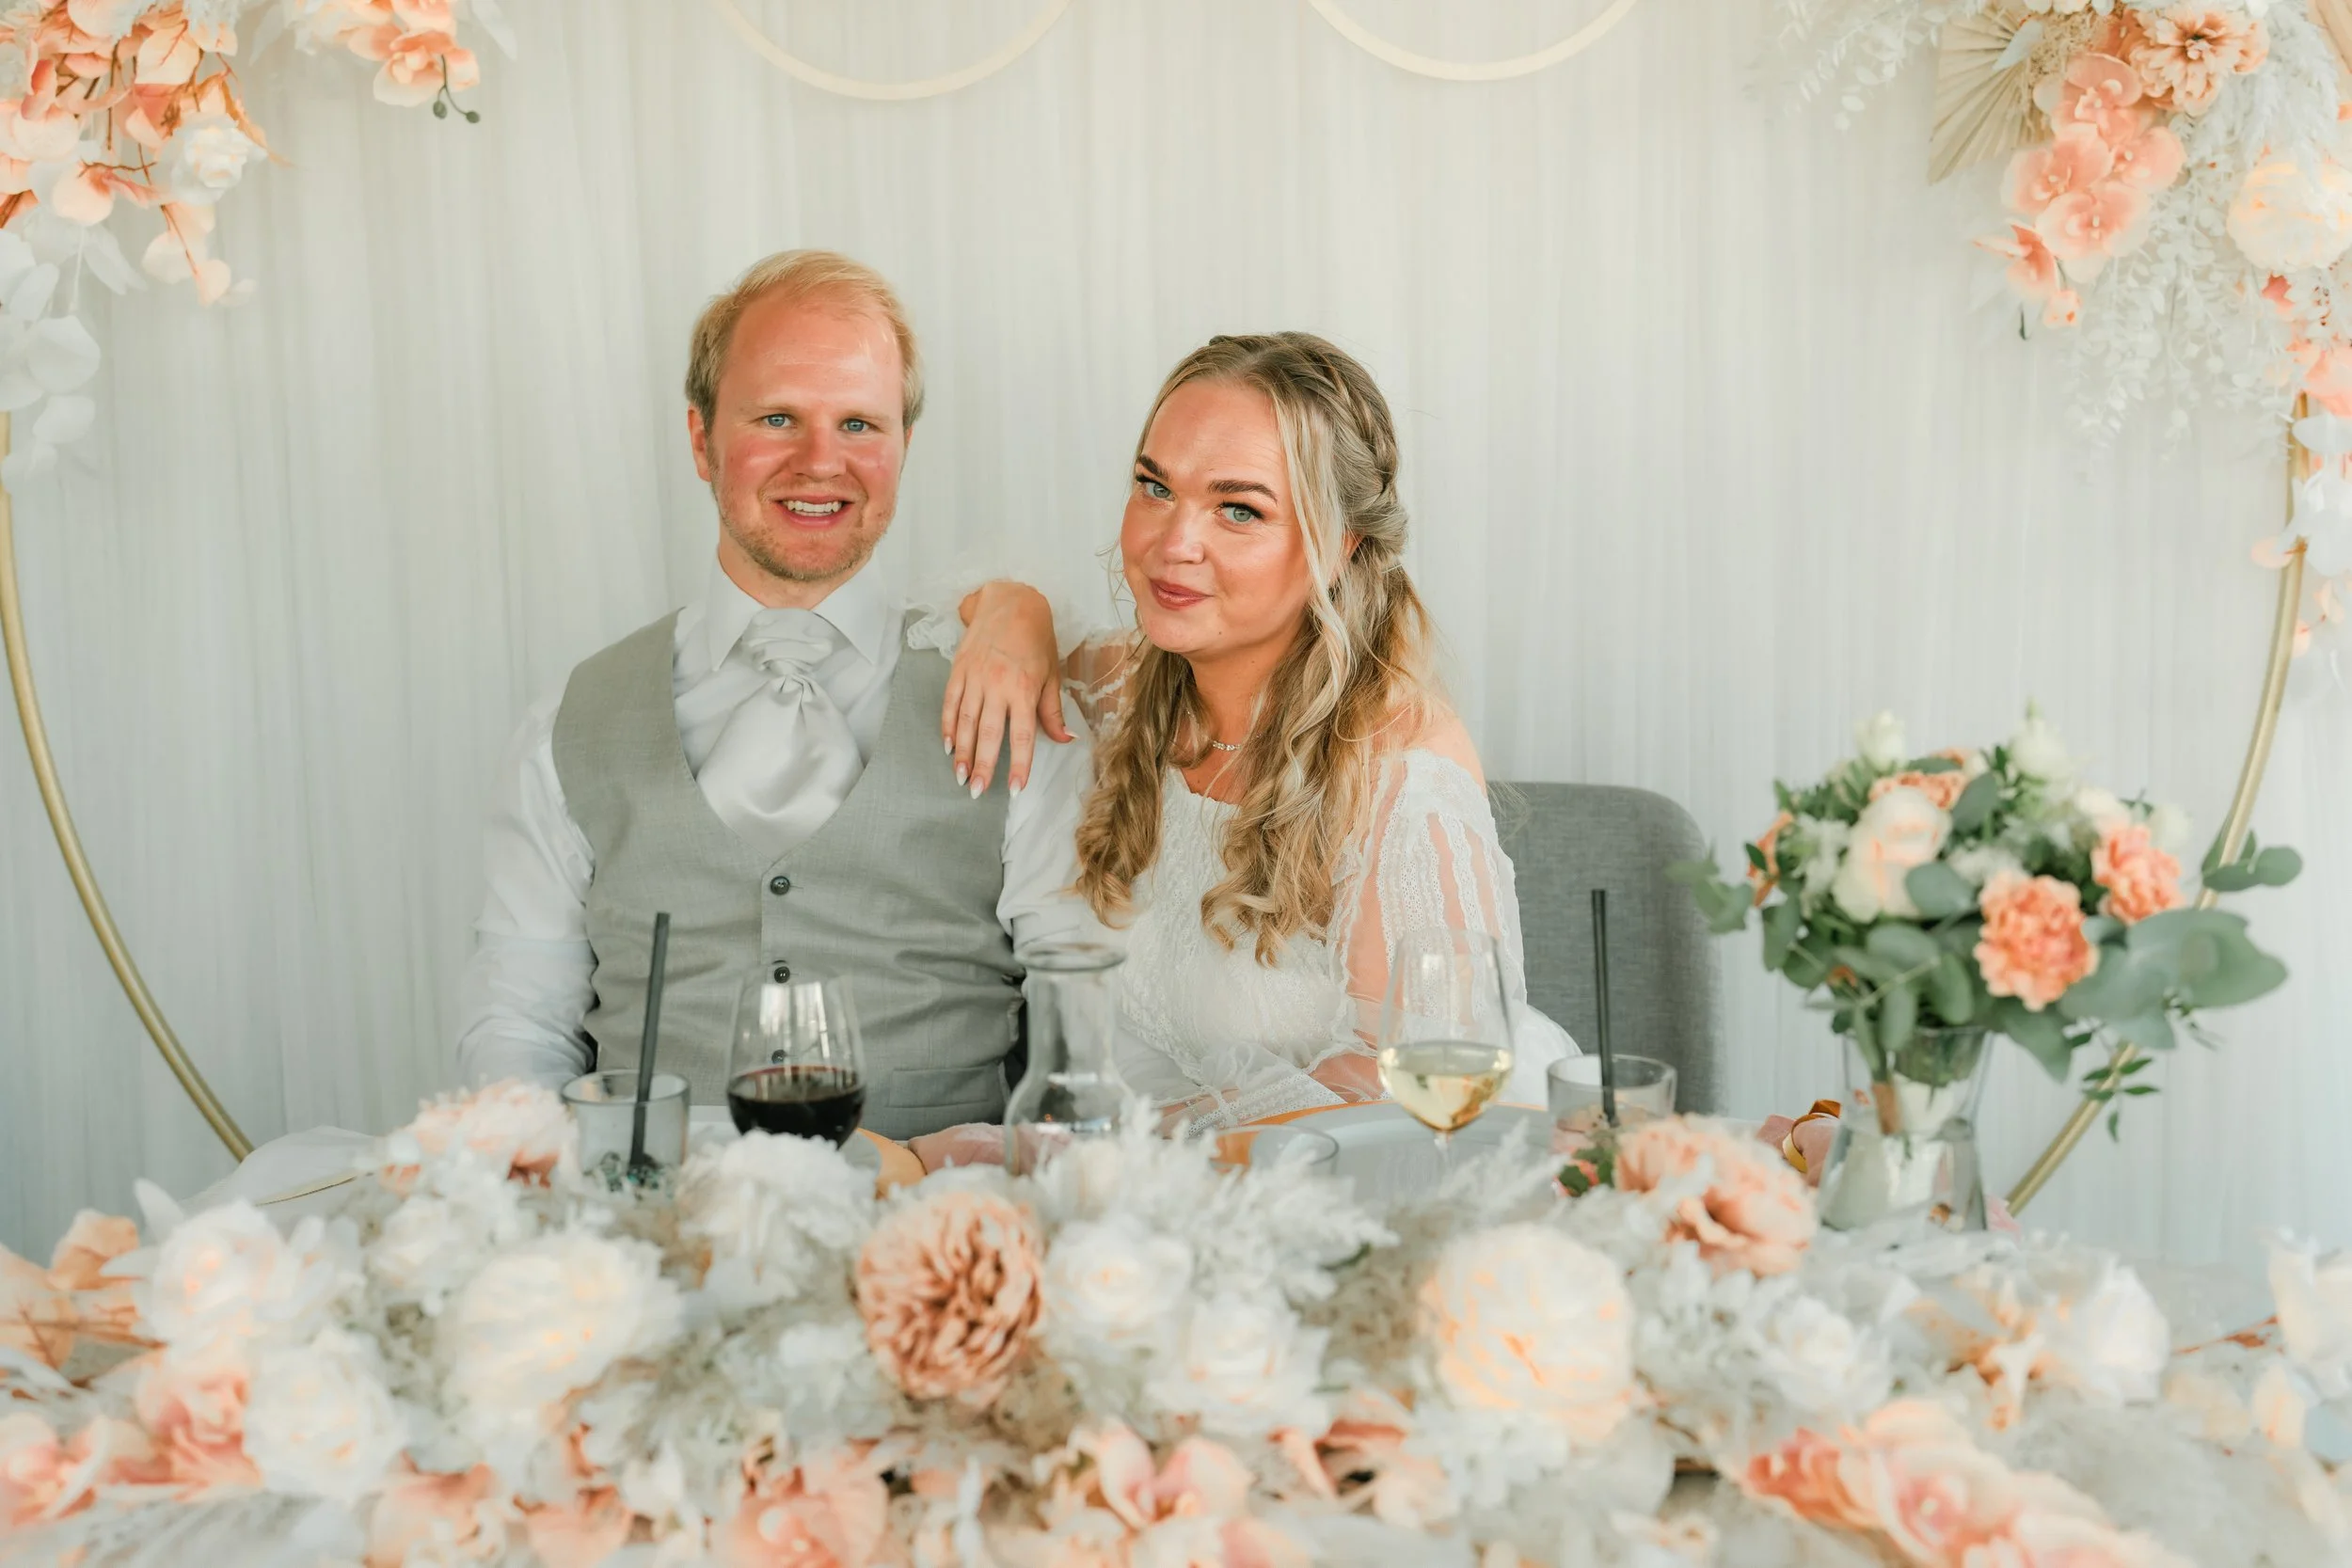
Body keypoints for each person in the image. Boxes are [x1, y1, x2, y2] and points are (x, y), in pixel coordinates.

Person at [454, 249, 1101, 1140]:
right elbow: (520, 1023)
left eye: (861, 426)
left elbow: (1085, 1028)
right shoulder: (569, 723)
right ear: (700, 441)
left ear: (904, 447)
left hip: (939, 1232)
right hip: (654, 1235)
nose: (820, 461)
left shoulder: (1013, 702)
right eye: (778, 417)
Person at [939, 331, 1574, 1142]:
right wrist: (1009, 609)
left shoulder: (1403, 771)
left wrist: (1107, 1147)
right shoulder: (1119, 692)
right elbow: (949, 605)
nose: (1173, 544)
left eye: (1239, 509)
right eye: (1154, 487)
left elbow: (1396, 1104)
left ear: (1339, 546)